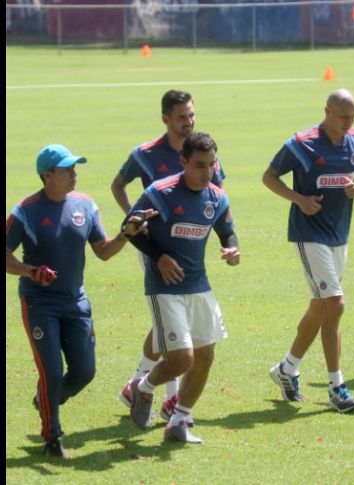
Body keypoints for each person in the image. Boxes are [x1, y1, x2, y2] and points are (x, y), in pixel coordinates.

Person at [5, 144, 155, 458]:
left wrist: (127, 234)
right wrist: (31, 271)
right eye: (67, 169)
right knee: (50, 369)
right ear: (48, 175)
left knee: (85, 371)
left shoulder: (85, 206)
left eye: (75, 168)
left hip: (76, 303)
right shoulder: (26, 210)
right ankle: (52, 438)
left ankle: (47, 397)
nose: (74, 174)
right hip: (39, 303)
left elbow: (103, 251)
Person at [111, 89, 225, 426]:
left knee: (174, 326)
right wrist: (135, 221)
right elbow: (118, 184)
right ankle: (157, 392)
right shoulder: (146, 154)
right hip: (153, 245)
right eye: (181, 117)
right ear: (166, 119)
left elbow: (215, 198)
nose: (188, 122)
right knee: (173, 325)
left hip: (188, 249)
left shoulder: (203, 152)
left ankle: (143, 386)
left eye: (191, 115)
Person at [263, 88, 354, 413]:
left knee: (320, 307)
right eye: (343, 117)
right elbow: (269, 177)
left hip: (339, 235)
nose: (348, 124)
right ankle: (336, 387)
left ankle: (286, 369)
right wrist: (300, 199)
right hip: (309, 234)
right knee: (335, 304)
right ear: (327, 111)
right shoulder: (302, 144)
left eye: (353, 118)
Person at [125, 132, 240, 444]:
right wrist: (158, 256)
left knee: (205, 355)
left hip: (199, 285)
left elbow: (227, 232)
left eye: (212, 165)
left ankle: (178, 421)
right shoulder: (159, 193)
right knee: (181, 359)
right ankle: (143, 387)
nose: (207, 172)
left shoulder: (216, 197)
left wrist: (233, 249)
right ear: (183, 162)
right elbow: (130, 228)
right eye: (200, 165)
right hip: (164, 288)